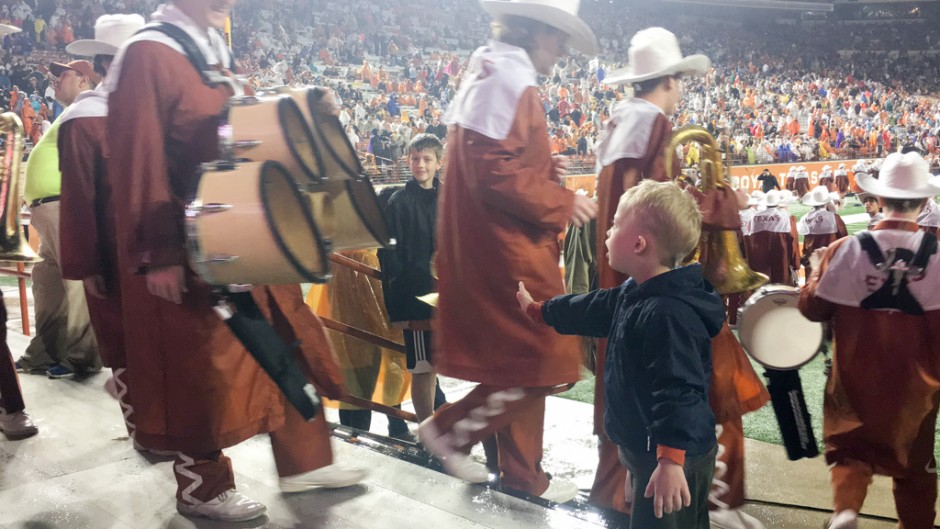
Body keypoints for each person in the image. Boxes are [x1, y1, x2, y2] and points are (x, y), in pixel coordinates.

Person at [103, 0, 366, 521]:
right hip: (193, 239)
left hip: (246, 228)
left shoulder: (209, 49)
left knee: (284, 338)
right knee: (200, 370)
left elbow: (240, 132)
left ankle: (307, 463)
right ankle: (201, 487)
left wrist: (304, 110)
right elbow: (138, 157)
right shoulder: (148, 53)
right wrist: (160, 251)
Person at [418, 0, 599, 504]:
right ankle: (449, 431)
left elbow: (495, 159)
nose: (562, 48)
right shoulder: (508, 79)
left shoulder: (496, 68)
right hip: (508, 248)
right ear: (534, 31)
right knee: (544, 355)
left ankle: (522, 476)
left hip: (498, 241)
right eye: (557, 36)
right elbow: (492, 170)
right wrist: (562, 200)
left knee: (515, 364)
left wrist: (545, 170)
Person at [596, 29, 769, 528]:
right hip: (661, 287)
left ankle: (620, 495)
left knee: (629, 401)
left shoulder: (618, 132)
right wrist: (720, 202)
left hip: (625, 289)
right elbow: (664, 218)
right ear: (669, 80)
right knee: (720, 386)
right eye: (679, 82)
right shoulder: (655, 130)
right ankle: (716, 500)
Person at [518, 180, 722, 529]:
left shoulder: (667, 313)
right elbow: (591, 308)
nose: (607, 232)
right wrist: (541, 310)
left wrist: (669, 462)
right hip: (651, 453)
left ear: (639, 244)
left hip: (674, 456)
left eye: (614, 225)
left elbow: (680, 391)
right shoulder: (637, 292)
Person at [799, 151, 940, 529]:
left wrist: (815, 274)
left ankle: (846, 512)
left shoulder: (845, 250)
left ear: (878, 199)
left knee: (850, 454)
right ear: (925, 202)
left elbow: (812, 309)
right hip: (917, 389)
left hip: (855, 380)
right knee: (915, 471)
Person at [55, 13, 146, 447]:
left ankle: (161, 429)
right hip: (112, 254)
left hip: (153, 250)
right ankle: (145, 431)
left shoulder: (148, 111)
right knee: (124, 339)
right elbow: (78, 198)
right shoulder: (84, 117)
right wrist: (86, 261)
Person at [16, 59, 101, 379]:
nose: (55, 80)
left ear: (83, 80)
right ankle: (44, 352)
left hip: (63, 205)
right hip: (47, 208)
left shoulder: (87, 108)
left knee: (75, 281)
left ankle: (81, 358)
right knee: (47, 281)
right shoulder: (70, 111)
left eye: (63, 74)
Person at [380, 133, 444, 423]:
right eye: (416, 158)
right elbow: (390, 259)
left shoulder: (449, 199)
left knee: (444, 364)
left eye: (427, 159)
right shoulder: (398, 202)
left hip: (449, 298)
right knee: (423, 367)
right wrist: (397, 308)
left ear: (438, 163)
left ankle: (439, 429)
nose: (421, 164)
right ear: (407, 160)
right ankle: (428, 432)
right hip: (415, 300)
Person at [744, 190, 800, 285]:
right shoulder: (786, 217)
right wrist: (795, 264)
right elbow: (792, 241)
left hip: (760, 263)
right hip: (780, 258)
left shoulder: (755, 217)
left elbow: (749, 242)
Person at [798, 186, 848, 279]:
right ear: (826, 202)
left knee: (812, 286)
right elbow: (843, 238)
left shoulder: (805, 218)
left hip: (812, 260)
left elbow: (806, 242)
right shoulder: (834, 217)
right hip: (830, 260)